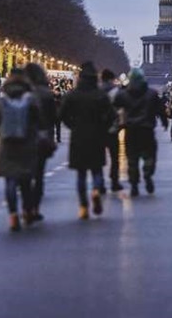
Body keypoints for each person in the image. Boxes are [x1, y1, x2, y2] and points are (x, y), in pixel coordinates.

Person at [59, 62, 114, 220]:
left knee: (81, 173)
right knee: (96, 169)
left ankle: (83, 206)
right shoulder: (101, 95)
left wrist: (73, 126)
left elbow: (62, 114)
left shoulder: (73, 95)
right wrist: (103, 128)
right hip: (97, 136)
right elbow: (111, 116)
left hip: (79, 137)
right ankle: (96, 190)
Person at [0, 68, 40, 231]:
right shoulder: (31, 98)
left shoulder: (2, 97)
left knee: (10, 181)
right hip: (26, 143)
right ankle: (27, 211)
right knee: (26, 181)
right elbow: (37, 120)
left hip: (7, 143)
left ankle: (13, 215)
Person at [114, 68, 168, 197]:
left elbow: (114, 110)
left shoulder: (123, 94)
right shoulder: (152, 94)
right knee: (149, 156)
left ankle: (134, 185)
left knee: (132, 159)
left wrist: (116, 125)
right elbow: (160, 110)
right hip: (147, 130)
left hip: (131, 130)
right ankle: (147, 174)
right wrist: (164, 122)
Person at [25, 62, 57, 222]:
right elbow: (53, 118)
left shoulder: (21, 91)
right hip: (42, 138)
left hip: (22, 138)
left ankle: (25, 208)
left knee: (24, 175)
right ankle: (35, 208)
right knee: (38, 176)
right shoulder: (46, 93)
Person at [100, 68, 123, 192]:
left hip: (98, 129)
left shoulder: (96, 91)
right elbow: (122, 108)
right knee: (114, 157)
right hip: (113, 128)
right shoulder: (116, 91)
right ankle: (114, 181)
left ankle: (100, 183)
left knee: (99, 157)